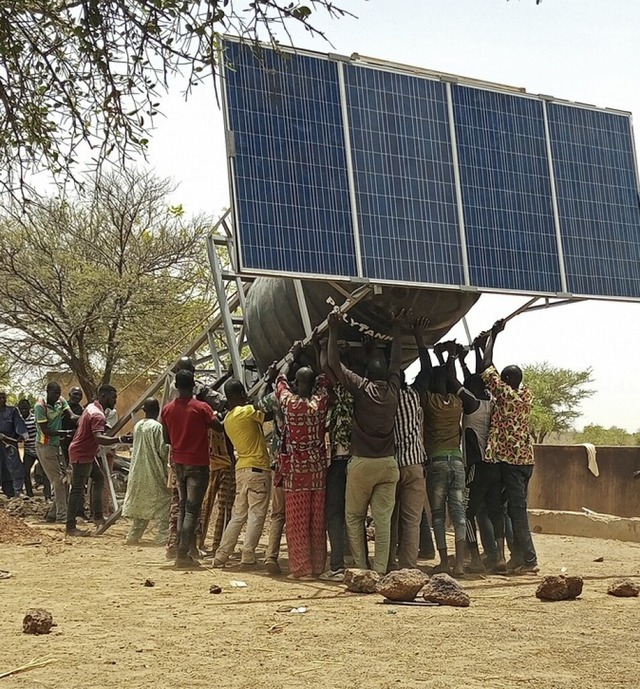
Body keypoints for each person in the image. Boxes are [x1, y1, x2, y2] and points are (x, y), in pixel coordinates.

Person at [326, 310, 402, 575]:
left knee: (354, 517)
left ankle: (361, 567)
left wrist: (333, 329)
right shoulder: (393, 390)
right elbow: (396, 363)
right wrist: (397, 328)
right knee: (382, 521)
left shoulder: (362, 387)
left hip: (362, 464)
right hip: (389, 465)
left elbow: (334, 363)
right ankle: (380, 570)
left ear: (366, 373)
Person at [480, 320, 539, 574]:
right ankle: (517, 557)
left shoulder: (505, 394)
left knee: (516, 513)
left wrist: (493, 337)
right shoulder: (526, 395)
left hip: (512, 463)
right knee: (511, 509)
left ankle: (529, 560)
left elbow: (486, 367)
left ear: (505, 381)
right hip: (526, 460)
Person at [413, 328, 466, 576]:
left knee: (437, 515)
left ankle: (444, 562)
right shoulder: (457, 404)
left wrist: (420, 339)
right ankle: (460, 564)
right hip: (457, 462)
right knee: (459, 514)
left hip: (436, 463)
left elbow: (425, 370)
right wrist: (449, 359)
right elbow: (449, 379)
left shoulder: (428, 402)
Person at [276, 351, 330, 580]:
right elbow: (325, 381)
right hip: (318, 470)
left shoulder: (291, 404)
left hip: (295, 472)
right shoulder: (319, 404)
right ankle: (318, 565)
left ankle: (301, 569)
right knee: (317, 521)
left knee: (297, 523)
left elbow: (279, 382)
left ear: (296, 384)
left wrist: (288, 359)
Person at [162, 370, 221, 569]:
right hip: (198, 464)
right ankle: (182, 554)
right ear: (194, 386)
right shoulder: (201, 407)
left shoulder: (167, 409)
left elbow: (166, 439)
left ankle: (182, 550)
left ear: (176, 387)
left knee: (183, 507)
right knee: (191, 510)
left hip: (178, 462)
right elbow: (218, 427)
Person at [212, 379, 272, 569]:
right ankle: (247, 555)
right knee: (256, 514)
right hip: (258, 469)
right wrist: (266, 383)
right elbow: (265, 409)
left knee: (238, 515)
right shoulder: (247, 412)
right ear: (240, 394)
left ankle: (221, 555)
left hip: (241, 469)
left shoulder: (228, 419)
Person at [455, 343, 501, 572]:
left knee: (466, 512)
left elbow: (457, 384)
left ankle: (474, 559)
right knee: (492, 511)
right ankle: (499, 557)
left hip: (476, 466)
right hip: (494, 466)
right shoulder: (492, 400)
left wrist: (450, 358)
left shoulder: (470, 404)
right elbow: (476, 379)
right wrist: (470, 357)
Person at [389, 348, 428, 570]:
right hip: (414, 464)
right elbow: (426, 370)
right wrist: (419, 338)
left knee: (390, 518)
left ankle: (389, 562)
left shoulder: (386, 398)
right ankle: (409, 565)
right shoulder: (414, 396)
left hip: (393, 464)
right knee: (412, 520)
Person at [319, 348, 355, 582]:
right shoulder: (355, 398)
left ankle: (337, 565)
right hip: (354, 462)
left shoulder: (330, 404)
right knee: (353, 513)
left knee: (334, 514)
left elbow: (326, 367)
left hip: (336, 465)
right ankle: (355, 558)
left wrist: (319, 349)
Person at [67, 385, 121, 536]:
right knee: (77, 489)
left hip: (85, 452)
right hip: (82, 453)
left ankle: (97, 516)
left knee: (99, 478)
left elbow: (81, 425)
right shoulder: (98, 415)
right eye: (113, 397)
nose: (115, 400)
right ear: (103, 396)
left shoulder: (91, 407)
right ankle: (70, 526)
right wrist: (120, 439)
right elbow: (99, 438)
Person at [122, 398, 171, 545]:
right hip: (153, 470)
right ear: (158, 410)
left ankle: (133, 536)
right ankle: (162, 536)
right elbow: (162, 451)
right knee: (165, 501)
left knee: (141, 504)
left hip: (138, 470)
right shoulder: (158, 427)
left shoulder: (138, 425)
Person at [255, 363, 287, 576]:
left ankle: (271, 556)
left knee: (278, 514)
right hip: (309, 466)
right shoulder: (315, 398)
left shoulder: (278, 399)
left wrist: (268, 378)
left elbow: (258, 404)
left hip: (281, 463)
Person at [34, 382, 76, 522]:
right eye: (54, 393)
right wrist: (65, 432)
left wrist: (83, 419)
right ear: (47, 392)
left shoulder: (61, 401)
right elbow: (45, 430)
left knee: (65, 480)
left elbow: (71, 415)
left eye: (59, 393)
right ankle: (62, 516)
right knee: (58, 481)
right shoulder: (40, 407)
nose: (57, 396)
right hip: (45, 446)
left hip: (56, 446)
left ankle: (53, 514)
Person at [0, 390, 28, 496]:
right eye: (0, 398)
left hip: (9, 444)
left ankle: (17, 491)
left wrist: (24, 434)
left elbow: (18, 423)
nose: (2, 400)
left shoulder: (12, 411)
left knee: (15, 467)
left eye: (3, 397)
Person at [18, 399, 38, 498]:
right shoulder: (19, 420)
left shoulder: (35, 418)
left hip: (38, 449)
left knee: (45, 473)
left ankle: (48, 496)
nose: (24, 411)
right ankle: (30, 494)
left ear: (29, 408)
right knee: (25, 472)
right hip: (28, 451)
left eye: (25, 408)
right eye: (22, 409)